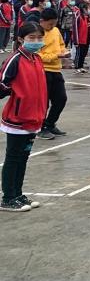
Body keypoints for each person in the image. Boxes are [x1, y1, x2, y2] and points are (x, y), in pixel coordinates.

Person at [0, 22, 48, 211]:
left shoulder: (36, 59)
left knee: (23, 157)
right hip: (17, 119)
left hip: (34, 118)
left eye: (39, 38)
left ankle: (18, 194)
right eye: (31, 38)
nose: (36, 41)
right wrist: (17, 95)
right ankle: (8, 197)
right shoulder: (15, 59)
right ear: (21, 39)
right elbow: (3, 84)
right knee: (13, 157)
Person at [37, 8, 70, 140]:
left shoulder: (55, 31)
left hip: (56, 69)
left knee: (61, 99)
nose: (52, 26)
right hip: (43, 70)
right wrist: (56, 56)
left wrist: (64, 52)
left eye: (54, 23)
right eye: (50, 24)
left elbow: (61, 44)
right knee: (43, 102)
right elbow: (37, 55)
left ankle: (50, 124)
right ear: (42, 21)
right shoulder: (37, 33)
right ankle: (40, 128)